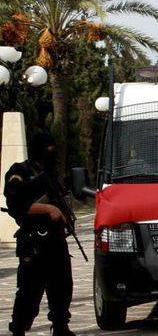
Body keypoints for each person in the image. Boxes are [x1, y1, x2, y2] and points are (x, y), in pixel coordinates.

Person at [3, 133, 75, 336]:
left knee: (61, 287)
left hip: (55, 241)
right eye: (47, 148)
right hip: (34, 242)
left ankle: (61, 327)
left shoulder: (50, 173)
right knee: (29, 292)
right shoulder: (20, 171)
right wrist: (47, 209)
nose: (52, 152)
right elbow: (16, 205)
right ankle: (18, 329)